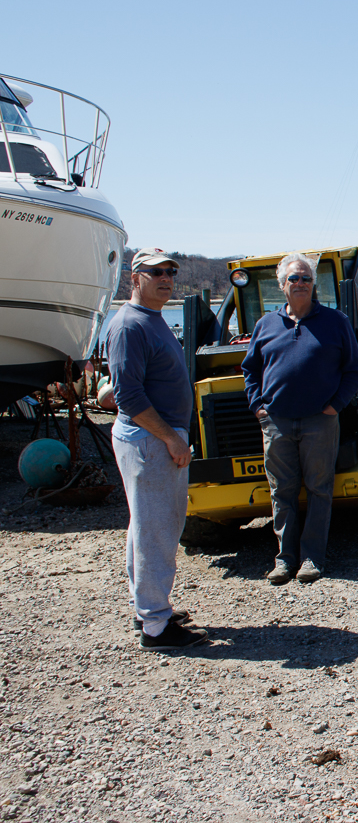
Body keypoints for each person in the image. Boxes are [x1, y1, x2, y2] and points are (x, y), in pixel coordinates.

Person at [106, 248, 207, 650]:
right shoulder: (130, 325)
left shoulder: (151, 319)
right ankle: (156, 627)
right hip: (150, 442)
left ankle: (148, 608)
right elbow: (127, 395)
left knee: (144, 526)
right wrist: (170, 437)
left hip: (152, 439)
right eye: (156, 272)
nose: (166, 278)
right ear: (135, 278)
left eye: (171, 271)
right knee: (157, 530)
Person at [242, 253, 358, 586]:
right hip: (276, 422)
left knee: (320, 490)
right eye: (293, 278)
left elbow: (353, 370)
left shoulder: (335, 321)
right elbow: (250, 370)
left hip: (319, 422)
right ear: (281, 285)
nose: (300, 283)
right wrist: (258, 407)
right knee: (282, 492)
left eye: (306, 278)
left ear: (314, 284)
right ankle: (285, 560)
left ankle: (312, 558)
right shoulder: (265, 325)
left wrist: (334, 405)